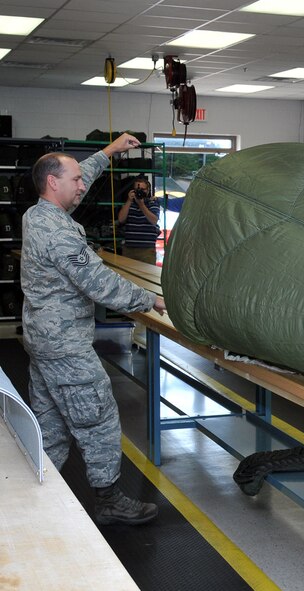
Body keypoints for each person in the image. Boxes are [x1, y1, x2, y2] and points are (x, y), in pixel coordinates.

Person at [22, 133, 167, 526]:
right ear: (53, 183)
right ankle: (107, 499)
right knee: (98, 418)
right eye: (75, 181)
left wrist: (108, 152)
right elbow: (99, 283)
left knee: (50, 423)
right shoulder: (56, 230)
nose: (83, 186)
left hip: (44, 341)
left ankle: (42, 493)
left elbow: (78, 174)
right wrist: (150, 300)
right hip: (65, 346)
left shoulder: (39, 214)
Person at [117, 176, 160, 264]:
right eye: (137, 189)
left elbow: (154, 221)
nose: (140, 191)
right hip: (129, 248)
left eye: (143, 189)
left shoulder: (152, 203)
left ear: (148, 191)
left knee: (146, 276)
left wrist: (142, 205)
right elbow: (121, 219)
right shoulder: (129, 204)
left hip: (146, 249)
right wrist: (129, 201)